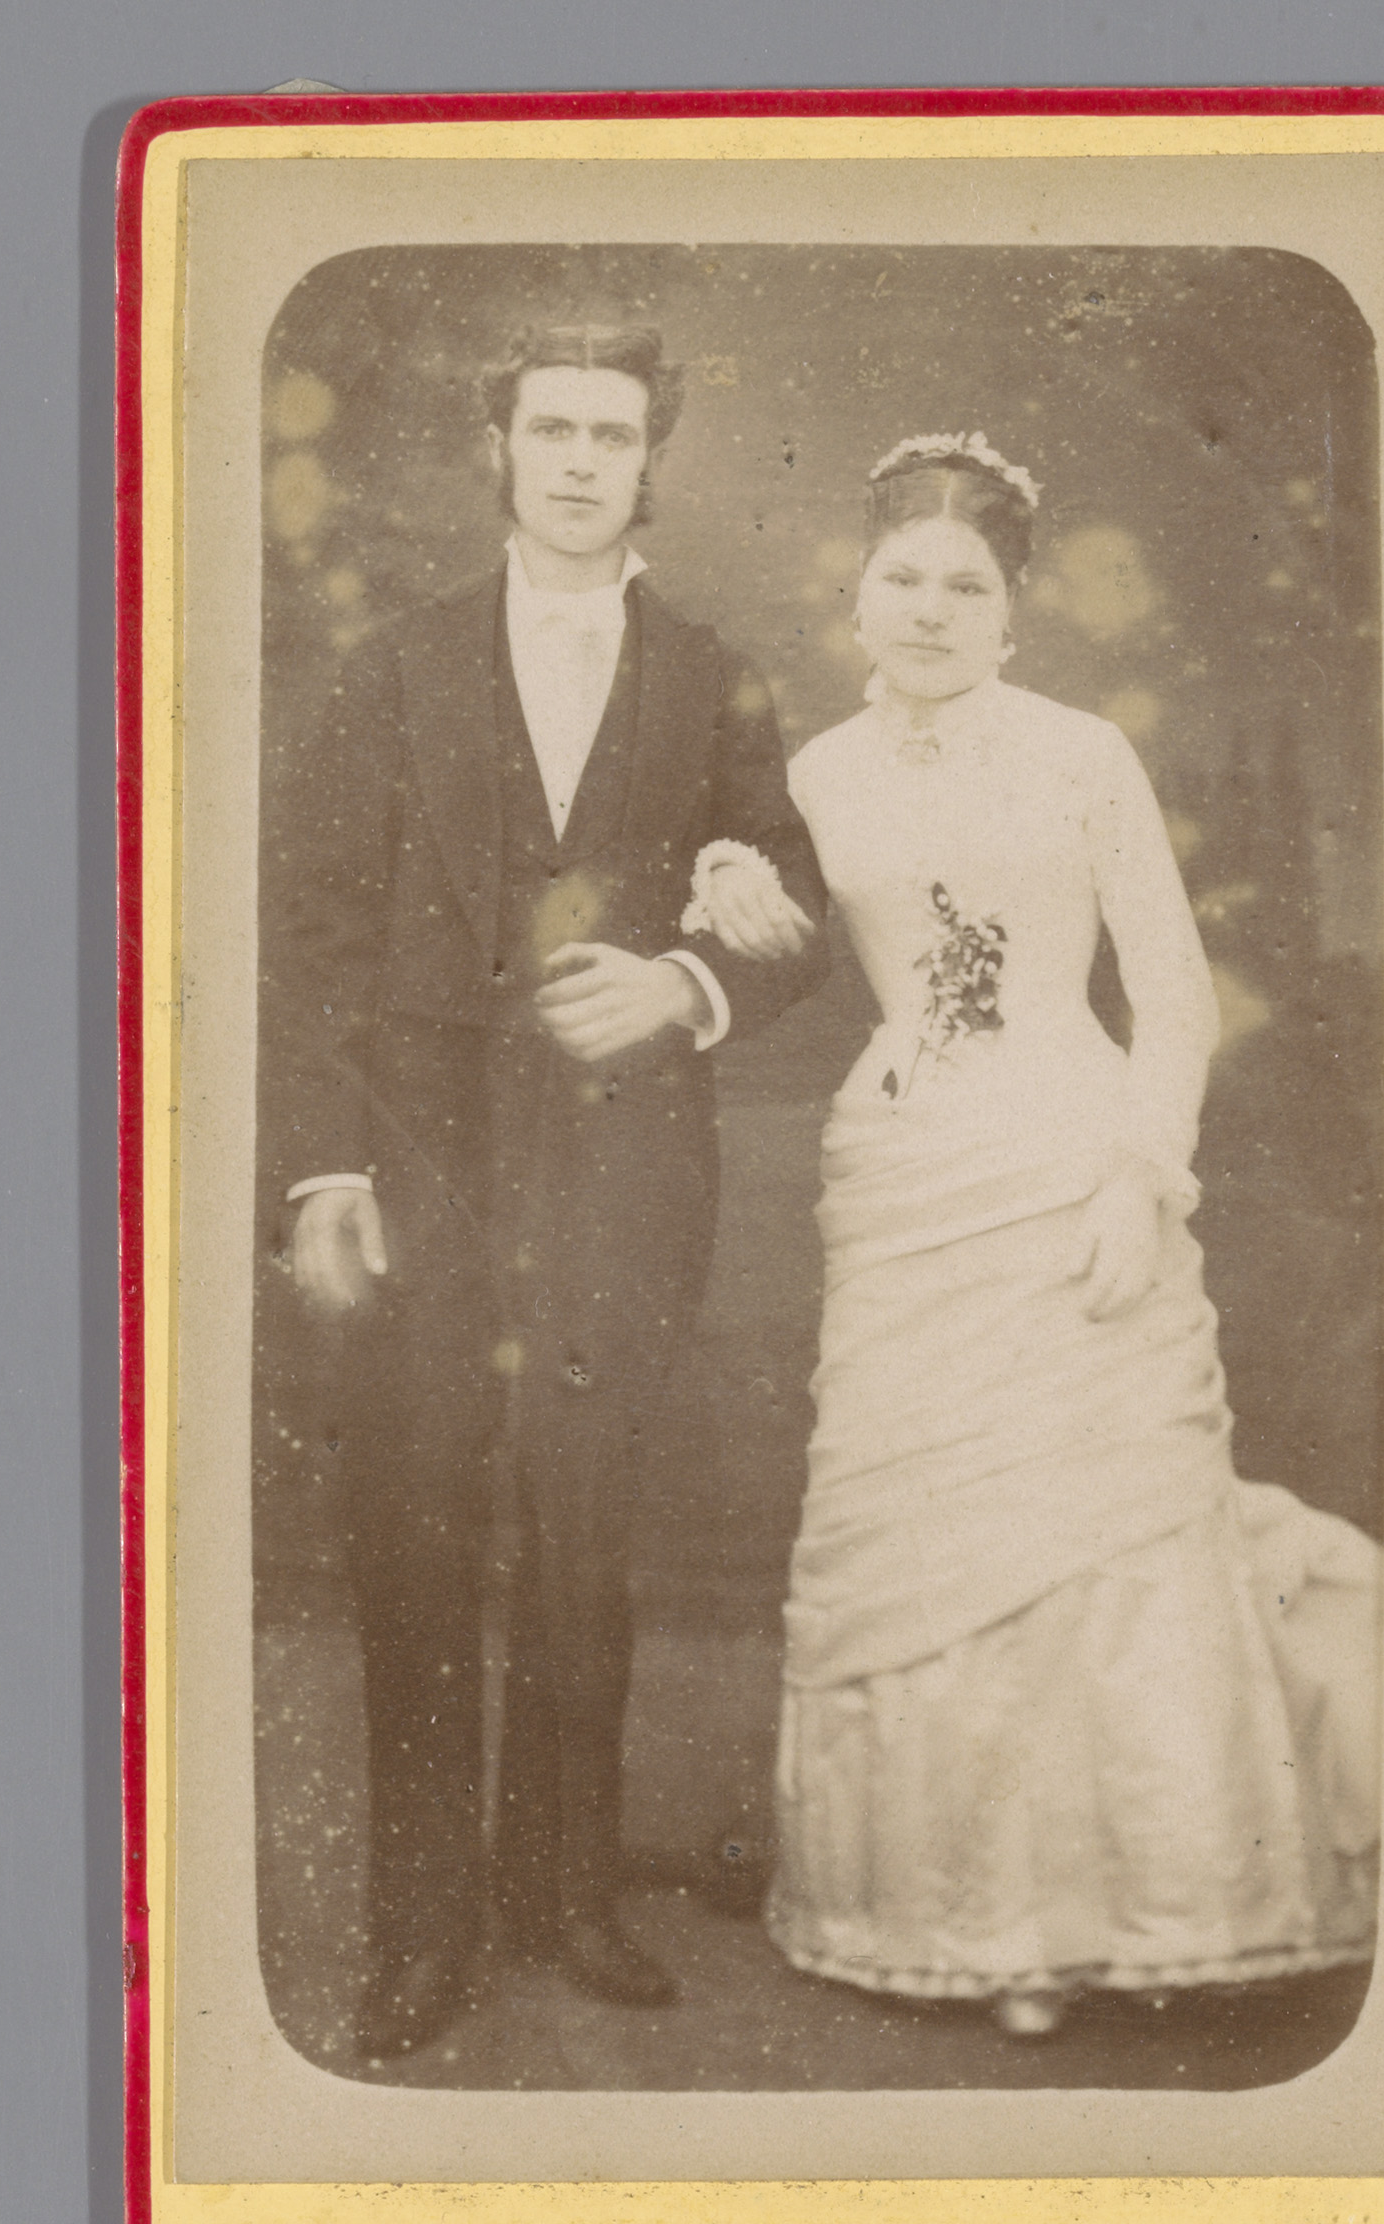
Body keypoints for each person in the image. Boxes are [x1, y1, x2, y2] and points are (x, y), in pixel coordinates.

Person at [717, 432, 1381, 2036]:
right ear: (856, 600)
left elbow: (1173, 998)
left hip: (1071, 1157)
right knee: (932, 1534)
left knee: (1091, 1524)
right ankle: (957, 1920)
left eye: (968, 587)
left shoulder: (1084, 755)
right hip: (903, 1175)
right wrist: (727, 878)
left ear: (1013, 614)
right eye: (904, 580)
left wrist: (1142, 1177)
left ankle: (1109, 1914)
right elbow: (774, 959)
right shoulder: (813, 776)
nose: (930, 610)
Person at [263, 322, 828, 2059]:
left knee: (588, 1537)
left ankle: (565, 1895)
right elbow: (311, 936)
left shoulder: (717, 676)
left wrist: (686, 983)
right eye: (553, 428)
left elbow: (795, 914)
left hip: (624, 1169)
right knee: (416, 1530)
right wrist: (323, 1171)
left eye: (614, 433)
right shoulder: (394, 665)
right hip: (421, 1157)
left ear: (651, 462)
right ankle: (421, 1930)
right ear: (497, 448)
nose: (582, 460)